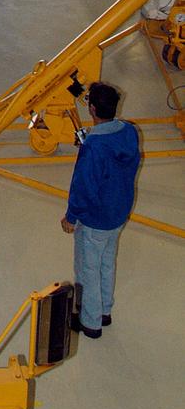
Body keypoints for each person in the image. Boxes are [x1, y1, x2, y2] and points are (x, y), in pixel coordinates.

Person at [61, 81, 140, 339]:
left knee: (87, 270)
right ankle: (105, 310)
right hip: (118, 212)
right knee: (107, 263)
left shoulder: (93, 147)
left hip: (95, 219)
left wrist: (71, 217)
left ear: (92, 108)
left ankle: (90, 322)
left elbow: (84, 186)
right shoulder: (129, 131)